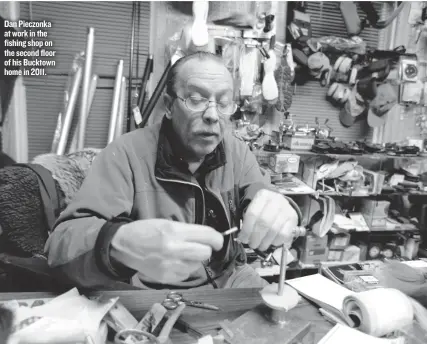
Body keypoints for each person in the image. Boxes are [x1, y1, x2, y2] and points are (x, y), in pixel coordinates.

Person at [45, 52, 302, 290]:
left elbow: (260, 192)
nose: (213, 115)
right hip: (157, 290)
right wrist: (115, 243)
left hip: (231, 277)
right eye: (196, 99)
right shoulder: (125, 153)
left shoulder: (236, 150)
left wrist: (280, 208)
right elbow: (60, 245)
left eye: (224, 103)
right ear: (168, 105)